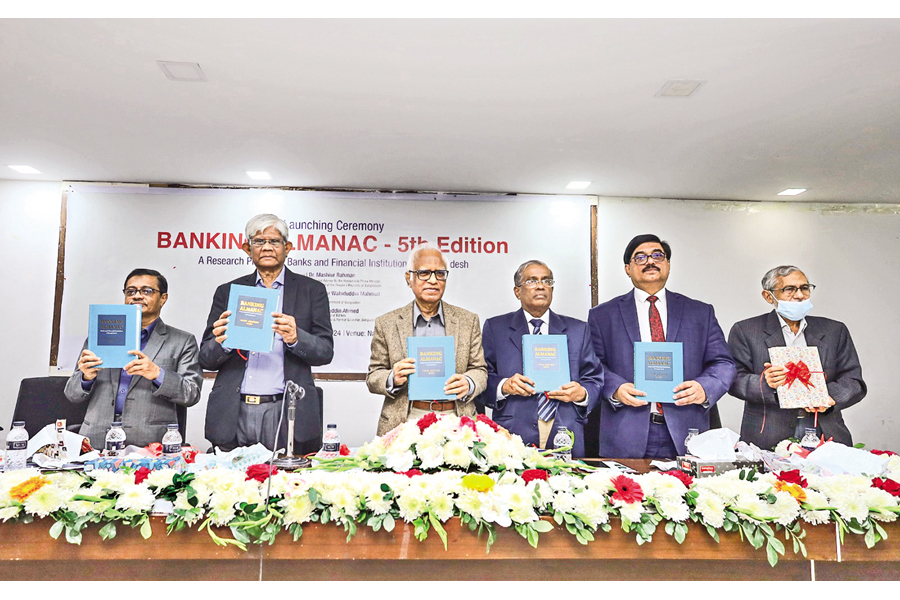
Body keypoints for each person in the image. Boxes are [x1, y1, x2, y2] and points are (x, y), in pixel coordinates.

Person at [587, 234, 736, 458]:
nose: (650, 261)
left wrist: (704, 387)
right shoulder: (602, 315)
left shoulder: (700, 312)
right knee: (626, 492)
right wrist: (616, 388)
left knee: (691, 493)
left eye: (658, 255)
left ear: (667, 264)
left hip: (688, 429)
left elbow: (723, 363)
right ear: (628, 268)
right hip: (626, 428)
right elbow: (593, 366)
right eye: (641, 257)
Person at [200, 214, 334, 454]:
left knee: (286, 486)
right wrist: (224, 342)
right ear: (247, 248)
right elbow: (205, 357)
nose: (267, 247)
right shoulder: (228, 292)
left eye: (275, 241)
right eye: (259, 241)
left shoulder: (312, 290)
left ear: (288, 248)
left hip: (285, 409)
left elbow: (325, 352)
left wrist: (295, 338)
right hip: (234, 410)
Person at [727, 265, 866, 449]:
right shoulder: (746, 331)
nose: (800, 295)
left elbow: (853, 380)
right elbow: (733, 379)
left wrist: (829, 397)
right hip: (768, 432)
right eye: (789, 289)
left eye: (805, 288)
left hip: (825, 428)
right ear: (769, 296)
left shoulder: (834, 330)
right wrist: (765, 382)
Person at [478, 260, 604, 457]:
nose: (540, 285)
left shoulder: (578, 330)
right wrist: (504, 386)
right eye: (531, 281)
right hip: (513, 432)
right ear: (517, 291)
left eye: (547, 281)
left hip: (565, 429)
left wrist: (582, 393)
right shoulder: (496, 328)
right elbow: (482, 376)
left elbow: (594, 378)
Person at [65, 269, 202, 448]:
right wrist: (85, 378)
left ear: (163, 298)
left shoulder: (183, 341)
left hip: (150, 443)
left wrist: (158, 374)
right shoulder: (100, 336)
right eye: (131, 291)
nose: (137, 296)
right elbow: (72, 395)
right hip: (96, 440)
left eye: (146, 291)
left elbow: (191, 394)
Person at [367, 244, 487, 435]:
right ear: (409, 278)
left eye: (440, 273)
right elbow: (373, 376)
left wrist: (469, 382)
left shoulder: (468, 320)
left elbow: (480, 369)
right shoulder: (387, 323)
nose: (433, 280)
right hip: (406, 418)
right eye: (424, 273)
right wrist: (392, 377)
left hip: (455, 416)